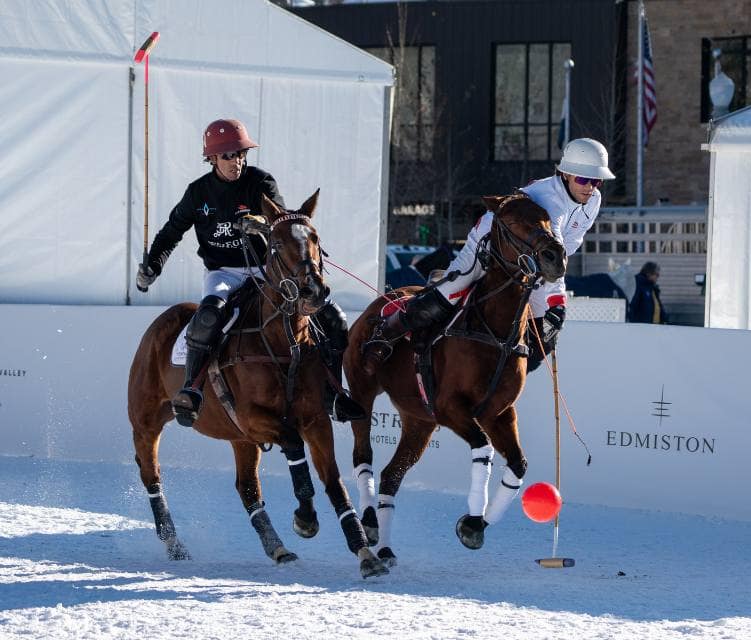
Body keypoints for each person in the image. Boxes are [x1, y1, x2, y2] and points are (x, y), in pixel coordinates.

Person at [136, 118, 364, 427]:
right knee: (208, 316)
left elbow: (283, 219)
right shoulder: (198, 193)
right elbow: (172, 231)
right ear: (212, 158)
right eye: (228, 155)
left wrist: (261, 222)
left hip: (265, 272)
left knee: (333, 317)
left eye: (241, 154)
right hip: (223, 274)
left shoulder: (260, 182)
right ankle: (192, 389)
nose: (237, 161)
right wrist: (153, 264)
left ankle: (333, 393)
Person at [362, 137, 615, 373]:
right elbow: (554, 253)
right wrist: (557, 299)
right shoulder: (550, 201)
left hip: (529, 258)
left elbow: (567, 246)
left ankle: (501, 381)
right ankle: (386, 333)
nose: (590, 188)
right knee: (452, 291)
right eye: (584, 180)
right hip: (490, 241)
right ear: (566, 174)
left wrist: (553, 302)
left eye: (597, 181)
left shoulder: (593, 200)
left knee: (545, 334)